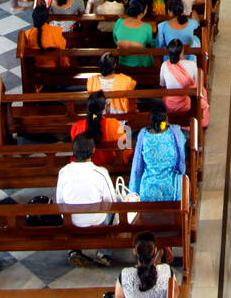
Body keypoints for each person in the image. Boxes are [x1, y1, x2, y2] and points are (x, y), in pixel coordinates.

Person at [55, 135, 116, 267]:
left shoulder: (63, 172)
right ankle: (104, 252)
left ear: (73, 151)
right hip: (97, 221)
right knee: (114, 212)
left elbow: (59, 201)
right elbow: (111, 201)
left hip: (72, 221)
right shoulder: (101, 172)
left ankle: (74, 250)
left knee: (67, 212)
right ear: (93, 151)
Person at [129, 99, 186, 201]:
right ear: (166, 119)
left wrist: (134, 190)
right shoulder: (175, 133)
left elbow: (137, 166)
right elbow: (181, 156)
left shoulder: (143, 135)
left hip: (148, 189)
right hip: (171, 188)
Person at [70, 90, 126, 168]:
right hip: (110, 166)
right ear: (105, 107)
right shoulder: (114, 124)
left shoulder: (76, 126)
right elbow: (125, 148)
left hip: (82, 168)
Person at [159, 38, 198, 119]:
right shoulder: (192, 64)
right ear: (182, 51)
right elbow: (197, 84)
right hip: (186, 104)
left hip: (169, 104)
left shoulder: (164, 65)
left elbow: (162, 84)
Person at [113, 0, 156, 68]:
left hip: (121, 61)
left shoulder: (119, 22)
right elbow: (148, 42)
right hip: (140, 63)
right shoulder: (147, 27)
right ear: (143, 13)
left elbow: (115, 39)